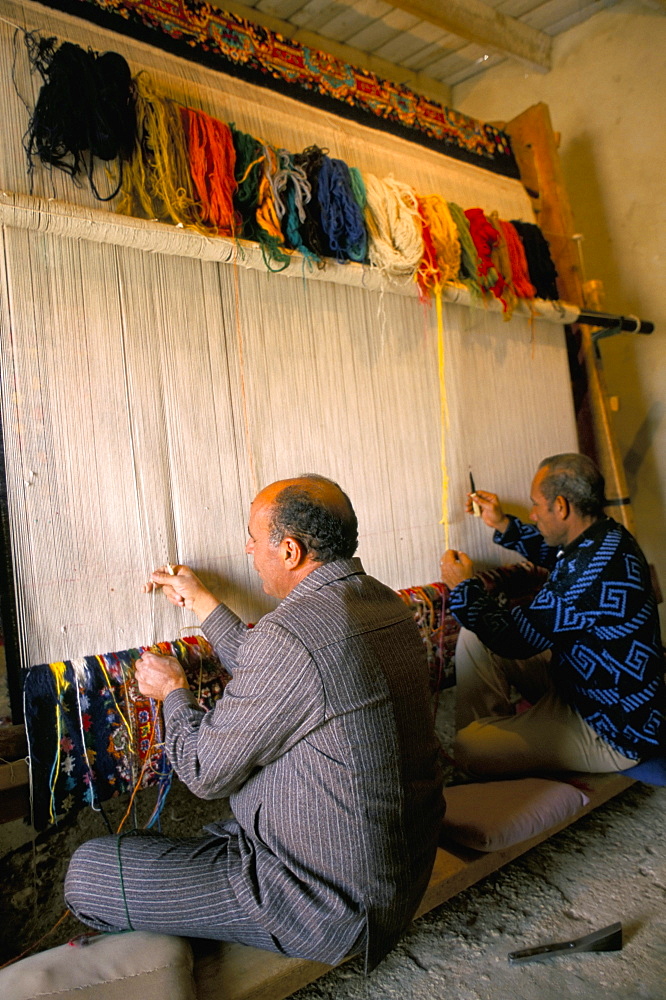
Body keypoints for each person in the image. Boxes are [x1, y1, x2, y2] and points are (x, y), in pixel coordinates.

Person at [65, 475, 444, 971]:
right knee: (156, 853)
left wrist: (173, 692)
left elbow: (204, 772)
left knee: (89, 873)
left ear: (289, 551)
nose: (246, 547)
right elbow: (282, 677)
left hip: (320, 900)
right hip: (393, 873)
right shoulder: (381, 602)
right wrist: (202, 602)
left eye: (253, 536)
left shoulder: (291, 636)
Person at [440, 453, 665, 778]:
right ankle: (492, 734)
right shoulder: (607, 536)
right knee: (476, 633)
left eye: (536, 505)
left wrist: (463, 587)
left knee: (467, 748)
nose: (531, 513)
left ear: (561, 507)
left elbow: (514, 640)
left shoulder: (585, 576)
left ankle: (481, 751)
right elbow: (556, 551)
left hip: (613, 726)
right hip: (579, 683)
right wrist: (502, 522)